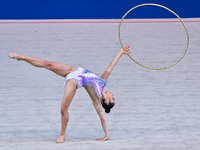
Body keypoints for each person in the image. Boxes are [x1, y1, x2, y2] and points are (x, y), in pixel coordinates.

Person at [8, 44, 130, 143]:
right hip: (74, 70)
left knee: (63, 108)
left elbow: (102, 118)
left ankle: (62, 134)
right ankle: (21, 57)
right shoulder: (103, 82)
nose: (113, 94)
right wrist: (121, 52)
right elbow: (111, 66)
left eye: (113, 98)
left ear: (107, 101)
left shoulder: (96, 99)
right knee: (48, 64)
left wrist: (106, 135)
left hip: (74, 81)